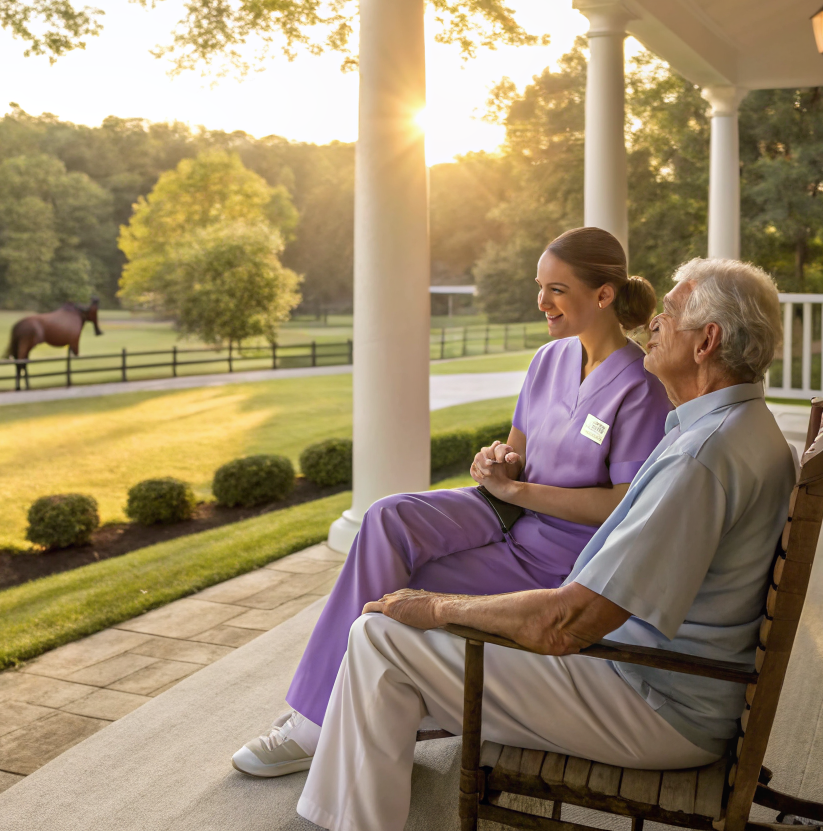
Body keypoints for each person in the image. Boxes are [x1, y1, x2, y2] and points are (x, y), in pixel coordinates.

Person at [294, 257, 796, 831]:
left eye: (670, 314)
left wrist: (435, 607)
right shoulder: (738, 429)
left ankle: (346, 804)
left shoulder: (700, 458)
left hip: (647, 696)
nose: (653, 322)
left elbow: (568, 621)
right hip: (669, 679)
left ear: (707, 341)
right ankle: (351, 788)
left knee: (381, 638)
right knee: (393, 633)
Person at [232, 227, 672, 777]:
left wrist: (517, 489)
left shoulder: (641, 387)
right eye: (539, 287)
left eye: (556, 289)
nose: (541, 302)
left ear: (603, 295)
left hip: (562, 555)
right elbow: (518, 453)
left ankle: (320, 718)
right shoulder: (548, 361)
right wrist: (498, 464)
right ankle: (326, 709)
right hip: (504, 513)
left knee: (408, 583)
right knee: (386, 519)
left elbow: (623, 505)